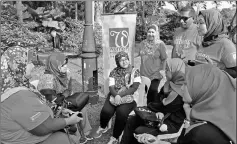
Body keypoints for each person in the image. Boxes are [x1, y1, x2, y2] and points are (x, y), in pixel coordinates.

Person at [135, 64, 236, 144]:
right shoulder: (218, 120)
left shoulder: (200, 134)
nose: (182, 88)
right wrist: (158, 142)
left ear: (202, 89)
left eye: (186, 84)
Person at [1, 46, 82, 144]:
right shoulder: (17, 96)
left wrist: (59, 111)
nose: (33, 66)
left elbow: (39, 106)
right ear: (17, 66)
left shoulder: (15, 87)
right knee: (63, 138)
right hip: (30, 139)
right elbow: (43, 127)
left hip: (34, 132)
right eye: (29, 63)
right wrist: (69, 121)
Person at [120, 58, 186, 144]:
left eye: (167, 69)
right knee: (132, 120)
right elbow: (158, 100)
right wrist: (156, 109)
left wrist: (152, 107)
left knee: (139, 131)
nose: (165, 71)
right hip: (159, 115)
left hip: (170, 123)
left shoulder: (181, 91)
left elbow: (165, 107)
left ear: (175, 72)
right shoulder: (169, 84)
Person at [37, 52, 93, 144]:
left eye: (66, 63)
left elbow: (69, 90)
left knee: (83, 108)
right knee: (72, 112)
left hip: (64, 101)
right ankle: (77, 137)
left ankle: (85, 132)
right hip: (52, 109)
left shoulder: (64, 74)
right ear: (55, 66)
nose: (66, 66)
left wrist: (66, 94)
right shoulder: (47, 79)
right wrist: (65, 96)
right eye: (63, 65)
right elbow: (51, 101)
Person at [93, 51, 141, 144]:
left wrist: (120, 96)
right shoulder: (114, 72)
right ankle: (103, 126)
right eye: (121, 60)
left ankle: (115, 136)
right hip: (114, 95)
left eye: (126, 59)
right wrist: (116, 95)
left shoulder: (135, 71)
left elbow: (134, 88)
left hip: (129, 97)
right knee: (106, 111)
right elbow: (111, 87)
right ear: (117, 62)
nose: (124, 62)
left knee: (121, 113)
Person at [195, 9, 236, 78]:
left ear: (213, 23)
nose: (197, 26)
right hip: (201, 86)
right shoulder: (205, 42)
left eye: (201, 23)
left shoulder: (226, 45)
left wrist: (216, 69)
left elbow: (235, 73)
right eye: (197, 23)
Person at [135, 24, 168, 104]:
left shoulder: (161, 44)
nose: (151, 34)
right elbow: (136, 53)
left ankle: (153, 109)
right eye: (149, 32)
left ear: (156, 33)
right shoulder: (142, 43)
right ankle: (151, 107)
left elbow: (164, 58)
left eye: (153, 32)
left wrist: (163, 70)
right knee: (148, 92)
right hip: (144, 74)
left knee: (153, 90)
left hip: (155, 74)